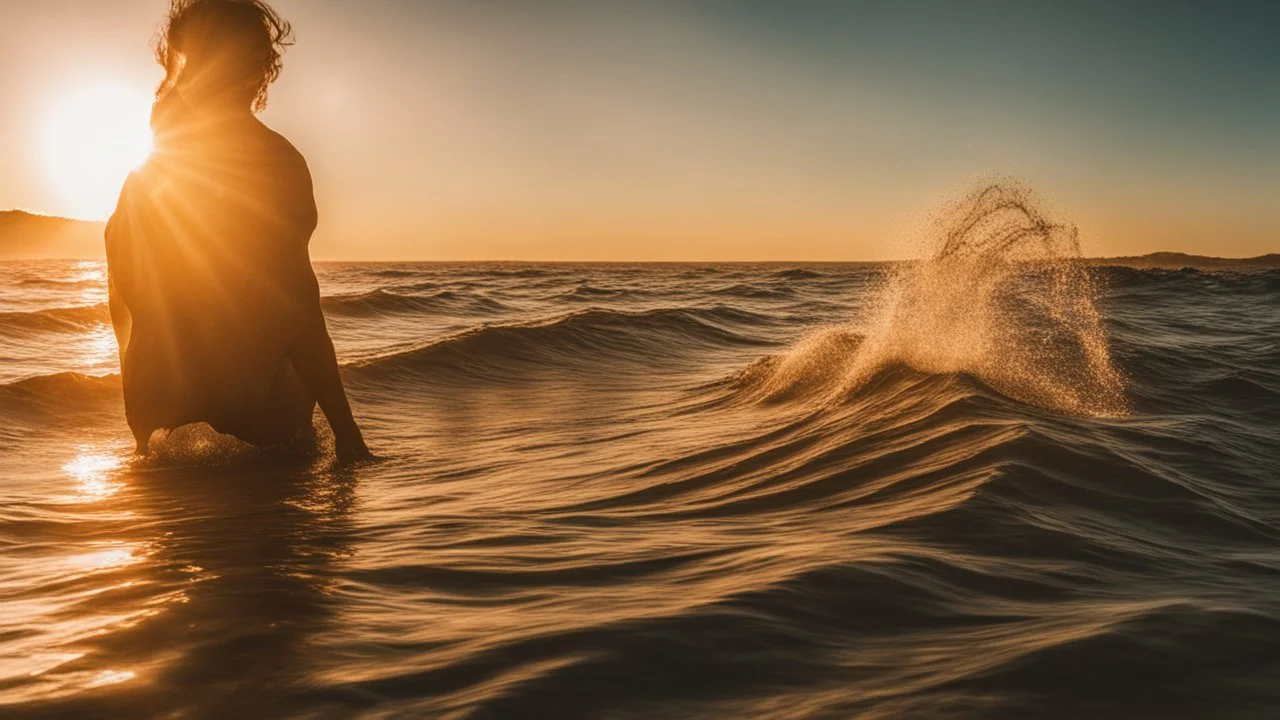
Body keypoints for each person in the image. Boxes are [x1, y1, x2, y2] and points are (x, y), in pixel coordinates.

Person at [105, 0, 370, 462]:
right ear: (257, 67)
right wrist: (348, 436)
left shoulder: (144, 176)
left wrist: (144, 432)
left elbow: (127, 302)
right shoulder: (278, 164)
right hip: (256, 420)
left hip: (158, 410)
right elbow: (300, 311)